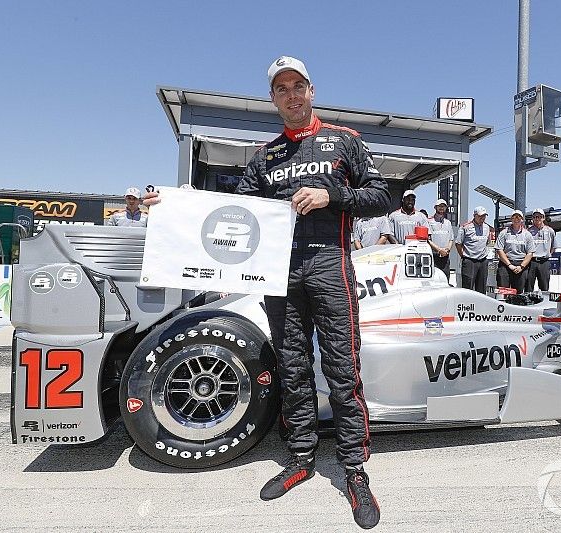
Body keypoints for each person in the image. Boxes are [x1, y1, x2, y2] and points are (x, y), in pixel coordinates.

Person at [145, 56, 388, 529]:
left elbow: (381, 197)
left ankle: (355, 468)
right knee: (292, 366)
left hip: (330, 264)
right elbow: (228, 211)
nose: (291, 94)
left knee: (342, 367)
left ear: (311, 91)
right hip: (278, 274)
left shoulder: (345, 141)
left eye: (298, 85)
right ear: (273, 99)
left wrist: (331, 195)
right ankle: (300, 457)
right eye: (282, 88)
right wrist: (173, 204)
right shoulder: (266, 156)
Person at [455, 206, 494, 294]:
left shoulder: (487, 228)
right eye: (480, 216)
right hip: (469, 261)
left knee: (482, 288)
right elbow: (458, 243)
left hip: (483, 261)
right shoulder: (465, 227)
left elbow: (487, 242)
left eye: (484, 216)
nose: (482, 218)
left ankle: (481, 307)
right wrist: (464, 256)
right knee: (468, 289)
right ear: (474, 215)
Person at [496, 209, 535, 294]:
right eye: (514, 217)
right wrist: (509, 265)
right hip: (505, 265)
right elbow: (499, 250)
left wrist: (521, 266)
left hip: (520, 266)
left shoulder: (527, 234)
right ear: (511, 219)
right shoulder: (504, 233)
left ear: (522, 219)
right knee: (503, 292)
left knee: (518, 293)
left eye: (518, 217)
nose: (516, 219)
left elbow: (530, 253)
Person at [526, 208, 556, 291]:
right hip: (531, 261)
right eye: (535, 217)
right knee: (528, 286)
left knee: (544, 287)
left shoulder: (550, 231)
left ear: (543, 218)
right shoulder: (528, 231)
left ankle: (544, 303)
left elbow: (553, 247)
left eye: (539, 216)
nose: (537, 219)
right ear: (532, 218)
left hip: (544, 262)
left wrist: (546, 254)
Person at [427, 199, 454, 282]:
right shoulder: (429, 221)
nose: (442, 208)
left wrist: (447, 250)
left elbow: (451, 239)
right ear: (435, 207)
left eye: (444, 206)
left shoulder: (448, 222)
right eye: (440, 206)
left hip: (445, 256)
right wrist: (439, 250)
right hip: (433, 255)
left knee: (445, 280)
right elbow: (427, 239)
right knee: (433, 280)